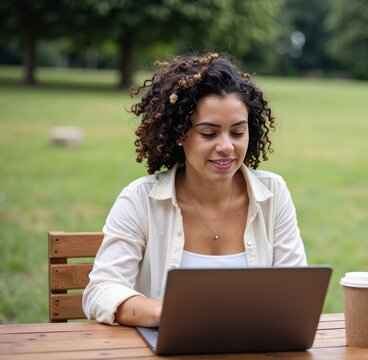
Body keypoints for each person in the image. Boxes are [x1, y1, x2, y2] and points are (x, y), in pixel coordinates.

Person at [82, 53, 307, 327]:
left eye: (237, 132)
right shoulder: (141, 199)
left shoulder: (273, 193)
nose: (226, 146)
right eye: (209, 134)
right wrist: (164, 313)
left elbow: (294, 292)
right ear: (179, 134)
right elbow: (102, 291)